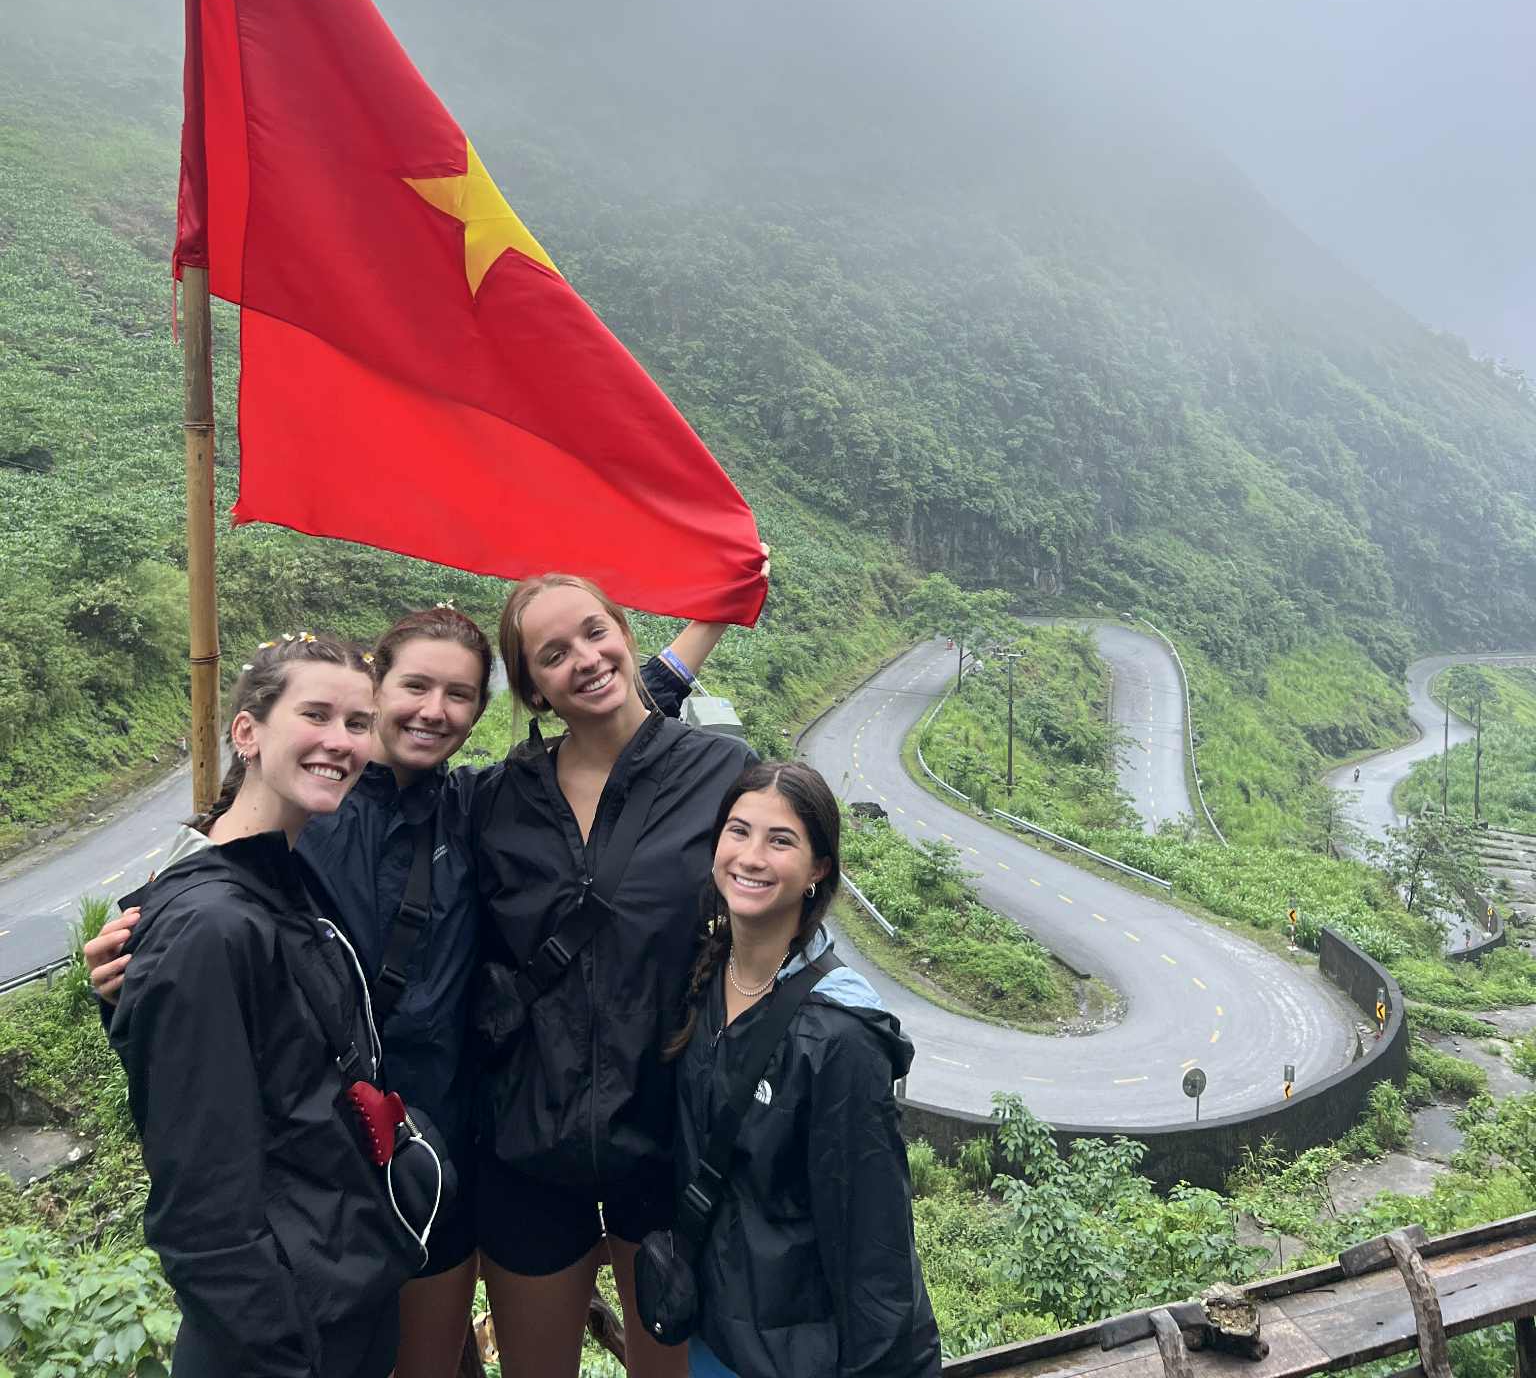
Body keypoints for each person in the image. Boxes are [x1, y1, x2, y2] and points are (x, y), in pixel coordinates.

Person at [89, 601, 731, 1378]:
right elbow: (200, 928)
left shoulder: (469, 807)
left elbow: (612, 731)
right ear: (376, 694)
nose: (434, 711)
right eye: (413, 688)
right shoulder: (302, 818)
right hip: (314, 1166)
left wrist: (707, 621)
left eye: (459, 696)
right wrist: (130, 968)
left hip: (434, 1154)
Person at [108, 633, 448, 1378]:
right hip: (281, 1336)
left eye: (358, 724)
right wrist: (282, 1353)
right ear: (248, 731)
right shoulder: (214, 924)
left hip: (339, 1288)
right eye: (316, 715)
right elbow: (201, 1203)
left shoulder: (281, 881)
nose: (341, 741)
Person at [473, 574, 758, 1378]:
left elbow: (787, 912)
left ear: (626, 633)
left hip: (669, 1134)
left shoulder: (721, 773)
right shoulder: (496, 801)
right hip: (526, 1138)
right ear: (532, 687)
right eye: (553, 654)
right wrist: (180, 891)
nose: (585, 660)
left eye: (596, 633)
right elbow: (365, 817)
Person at [668, 761, 940, 1378]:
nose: (751, 856)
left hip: (796, 1356)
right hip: (710, 1330)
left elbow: (874, 1243)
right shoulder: (703, 979)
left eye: (781, 840)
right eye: (738, 831)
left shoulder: (838, 1036)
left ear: (818, 869)